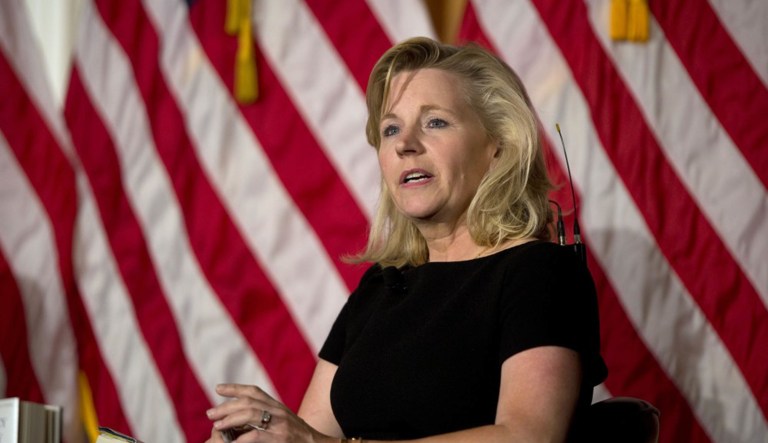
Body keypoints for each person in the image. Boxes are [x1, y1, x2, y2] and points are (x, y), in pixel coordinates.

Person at [205, 36, 607, 443]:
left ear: (498, 148)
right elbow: (314, 434)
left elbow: (528, 436)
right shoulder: (380, 287)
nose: (405, 144)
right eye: (391, 129)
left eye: (435, 122)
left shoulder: (539, 274)